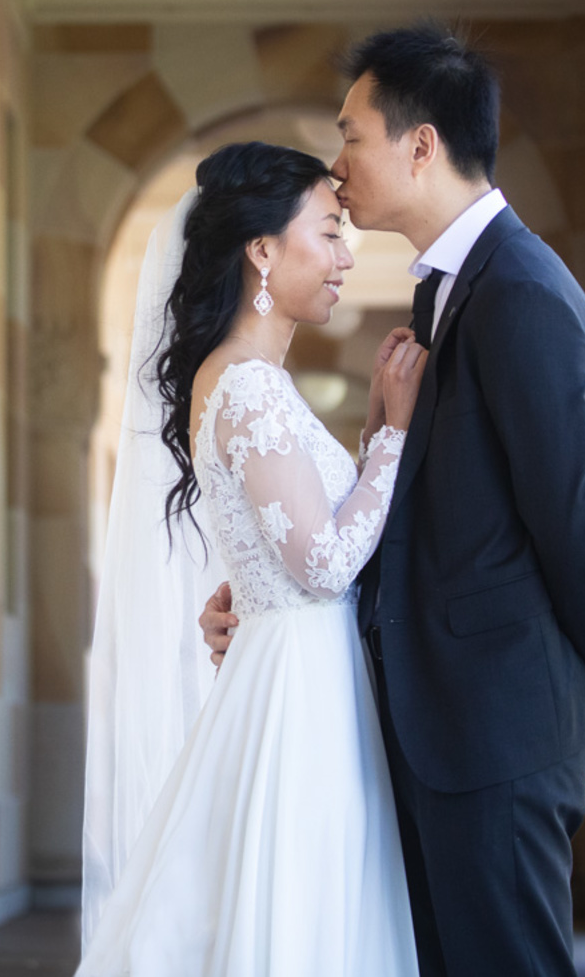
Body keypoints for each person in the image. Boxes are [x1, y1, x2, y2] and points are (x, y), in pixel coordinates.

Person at [200, 23, 585, 976]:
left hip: (495, 732)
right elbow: (422, 518)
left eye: (352, 134)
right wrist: (261, 589)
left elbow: (565, 515)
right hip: (430, 722)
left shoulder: (523, 291)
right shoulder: (442, 295)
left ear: (420, 144)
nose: (339, 162)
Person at [79, 141, 426, 976]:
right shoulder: (245, 384)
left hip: (296, 665)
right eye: (331, 232)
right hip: (295, 689)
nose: (348, 255)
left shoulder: (250, 377)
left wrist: (375, 430)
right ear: (263, 249)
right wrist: (398, 438)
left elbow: (291, 543)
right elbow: (326, 563)